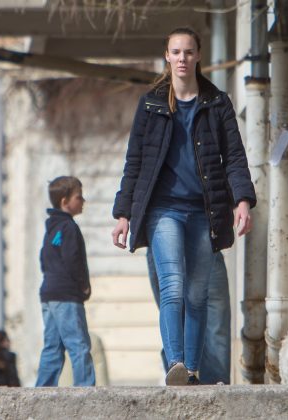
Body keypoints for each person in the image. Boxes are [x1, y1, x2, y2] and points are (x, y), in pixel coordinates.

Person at [112, 27, 256, 385]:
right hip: (163, 211)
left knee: (197, 294)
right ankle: (176, 364)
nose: (182, 58)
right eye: (175, 52)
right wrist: (123, 213)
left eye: (188, 52)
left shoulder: (217, 103)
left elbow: (234, 157)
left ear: (198, 56)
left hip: (205, 211)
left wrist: (242, 200)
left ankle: (191, 370)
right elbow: (135, 162)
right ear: (167, 56)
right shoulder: (150, 104)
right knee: (173, 287)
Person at [36, 176, 95, 387]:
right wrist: (83, 284)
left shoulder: (52, 228)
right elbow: (73, 259)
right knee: (79, 345)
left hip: (49, 293)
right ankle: (85, 389)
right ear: (65, 202)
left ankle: (42, 390)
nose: (83, 200)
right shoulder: (69, 227)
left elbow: (43, 258)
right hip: (67, 295)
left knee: (52, 347)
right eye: (79, 197)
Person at [147, 249, 231, 384]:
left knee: (216, 328)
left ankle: (215, 390)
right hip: (164, 250)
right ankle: (182, 384)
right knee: (176, 329)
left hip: (207, 246)